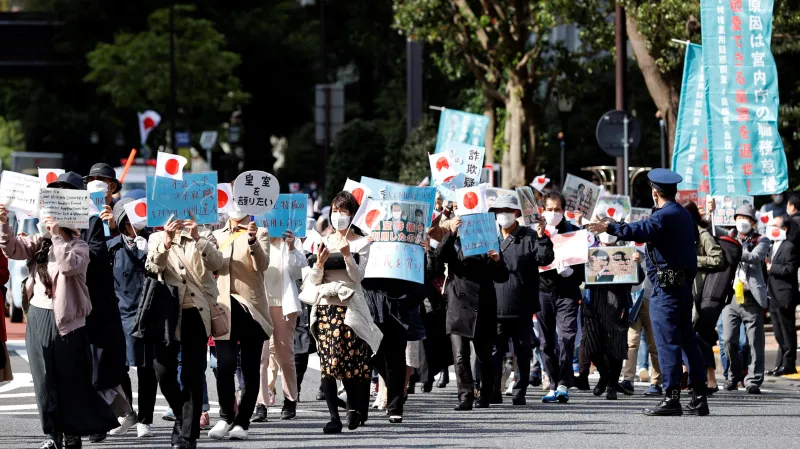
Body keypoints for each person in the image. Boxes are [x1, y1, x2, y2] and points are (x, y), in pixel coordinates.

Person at [585, 169, 708, 416]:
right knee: (687, 340)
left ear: (655, 192)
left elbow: (640, 229)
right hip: (682, 287)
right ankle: (699, 396)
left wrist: (610, 227)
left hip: (666, 289)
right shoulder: (683, 214)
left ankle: (672, 397)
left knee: (667, 343)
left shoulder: (665, 215)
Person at [0, 204, 118, 449]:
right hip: (38, 315)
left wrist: (56, 236)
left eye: (51, 218)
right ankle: (52, 434)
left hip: (68, 320)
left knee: (69, 378)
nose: (45, 221)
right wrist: (3, 223)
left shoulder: (79, 246)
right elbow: (11, 249)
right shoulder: (39, 242)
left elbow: (68, 266)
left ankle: (72, 433)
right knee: (43, 379)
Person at [54, 172, 131, 443]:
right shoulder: (50, 225)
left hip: (92, 304)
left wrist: (75, 246)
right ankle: (70, 430)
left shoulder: (91, 220)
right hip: (60, 305)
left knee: (96, 366)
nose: (63, 196)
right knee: (67, 367)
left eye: (68, 190)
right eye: (58, 191)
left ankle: (100, 419)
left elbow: (96, 256)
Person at [303, 191, 383, 434]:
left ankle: (353, 407)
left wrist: (347, 255)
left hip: (350, 308)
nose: (338, 215)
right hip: (326, 308)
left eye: (344, 211)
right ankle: (333, 417)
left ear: (352, 214)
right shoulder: (323, 241)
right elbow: (314, 279)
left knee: (349, 361)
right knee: (328, 362)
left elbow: (358, 277)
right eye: (335, 211)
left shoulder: (362, 242)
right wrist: (318, 264)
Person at [147, 214, 223, 449]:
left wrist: (198, 237)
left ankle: (188, 435)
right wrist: (166, 241)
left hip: (196, 313)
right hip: (167, 313)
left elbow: (217, 264)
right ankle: (181, 415)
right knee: (162, 370)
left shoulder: (204, 234)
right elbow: (152, 267)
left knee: (192, 373)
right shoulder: (157, 237)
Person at [210, 206, 273, 440]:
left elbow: (262, 265)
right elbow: (210, 267)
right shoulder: (216, 235)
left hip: (251, 308)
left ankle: (243, 421)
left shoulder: (261, 232)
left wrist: (253, 241)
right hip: (223, 307)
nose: (236, 206)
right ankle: (226, 416)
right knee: (224, 366)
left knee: (249, 368)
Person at [437, 215, 508, 411]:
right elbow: (440, 256)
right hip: (458, 305)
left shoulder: (489, 245)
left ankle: (485, 394)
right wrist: (452, 233)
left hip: (483, 305)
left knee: (485, 356)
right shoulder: (455, 244)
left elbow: (502, 276)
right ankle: (465, 396)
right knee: (460, 355)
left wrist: (497, 261)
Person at [489, 195, 553, 405]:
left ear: (516, 213)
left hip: (522, 304)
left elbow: (545, 258)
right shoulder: (490, 236)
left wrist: (542, 236)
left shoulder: (530, 235)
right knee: (495, 351)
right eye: (499, 211)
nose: (503, 215)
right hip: (495, 303)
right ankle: (494, 390)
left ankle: (519, 390)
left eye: (507, 210)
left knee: (522, 350)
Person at [108, 198, 157, 438]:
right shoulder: (111, 247)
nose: (133, 224)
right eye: (128, 221)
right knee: (119, 367)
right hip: (121, 313)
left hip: (149, 312)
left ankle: (145, 419)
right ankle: (128, 412)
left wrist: (151, 252)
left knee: (147, 369)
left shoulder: (154, 241)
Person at [583, 220, 645, 400]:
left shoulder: (625, 251)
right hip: (593, 302)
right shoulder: (589, 250)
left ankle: (612, 385)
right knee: (591, 345)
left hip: (617, 302)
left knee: (616, 346)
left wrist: (636, 264)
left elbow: (637, 279)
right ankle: (604, 375)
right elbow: (581, 275)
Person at [538, 191, 585, 403]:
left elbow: (582, 271)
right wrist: (541, 240)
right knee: (546, 341)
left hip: (567, 293)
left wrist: (571, 272)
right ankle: (553, 382)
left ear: (564, 211)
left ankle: (564, 383)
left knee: (566, 337)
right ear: (543, 210)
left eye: (557, 209)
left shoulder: (574, 233)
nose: (553, 213)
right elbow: (534, 261)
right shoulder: (536, 233)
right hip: (543, 291)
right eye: (549, 209)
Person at [253, 229, 304, 422]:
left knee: (285, 355)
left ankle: (290, 399)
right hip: (260, 303)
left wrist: (291, 249)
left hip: (284, 304)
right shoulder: (255, 237)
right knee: (261, 357)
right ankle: (261, 402)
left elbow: (298, 272)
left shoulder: (290, 238)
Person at [719, 204, 769, 394]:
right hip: (731, 297)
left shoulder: (761, 240)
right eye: (739, 218)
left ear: (753, 223)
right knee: (728, 340)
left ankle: (753, 380)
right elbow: (710, 229)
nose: (742, 221)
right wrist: (708, 213)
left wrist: (735, 250)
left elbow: (755, 257)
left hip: (751, 298)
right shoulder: (728, 237)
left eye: (746, 218)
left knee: (754, 342)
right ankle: (733, 376)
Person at [682, 200, 724, 392]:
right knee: (688, 334)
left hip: (702, 292)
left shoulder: (703, 234)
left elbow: (718, 258)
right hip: (687, 290)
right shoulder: (683, 234)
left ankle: (711, 378)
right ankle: (692, 377)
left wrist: (694, 260)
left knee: (702, 336)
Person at [619, 250, 663, 397]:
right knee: (631, 342)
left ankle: (656, 382)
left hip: (652, 299)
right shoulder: (627, 245)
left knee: (654, 344)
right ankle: (628, 380)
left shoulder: (652, 244)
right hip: (633, 300)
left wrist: (642, 262)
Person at [767, 216, 798, 376]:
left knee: (787, 331)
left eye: (775, 225)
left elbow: (790, 269)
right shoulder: (772, 245)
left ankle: (789, 364)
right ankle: (779, 364)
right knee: (778, 332)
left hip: (785, 295)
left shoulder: (789, 246)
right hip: (772, 294)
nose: (771, 228)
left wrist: (772, 268)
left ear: (784, 229)